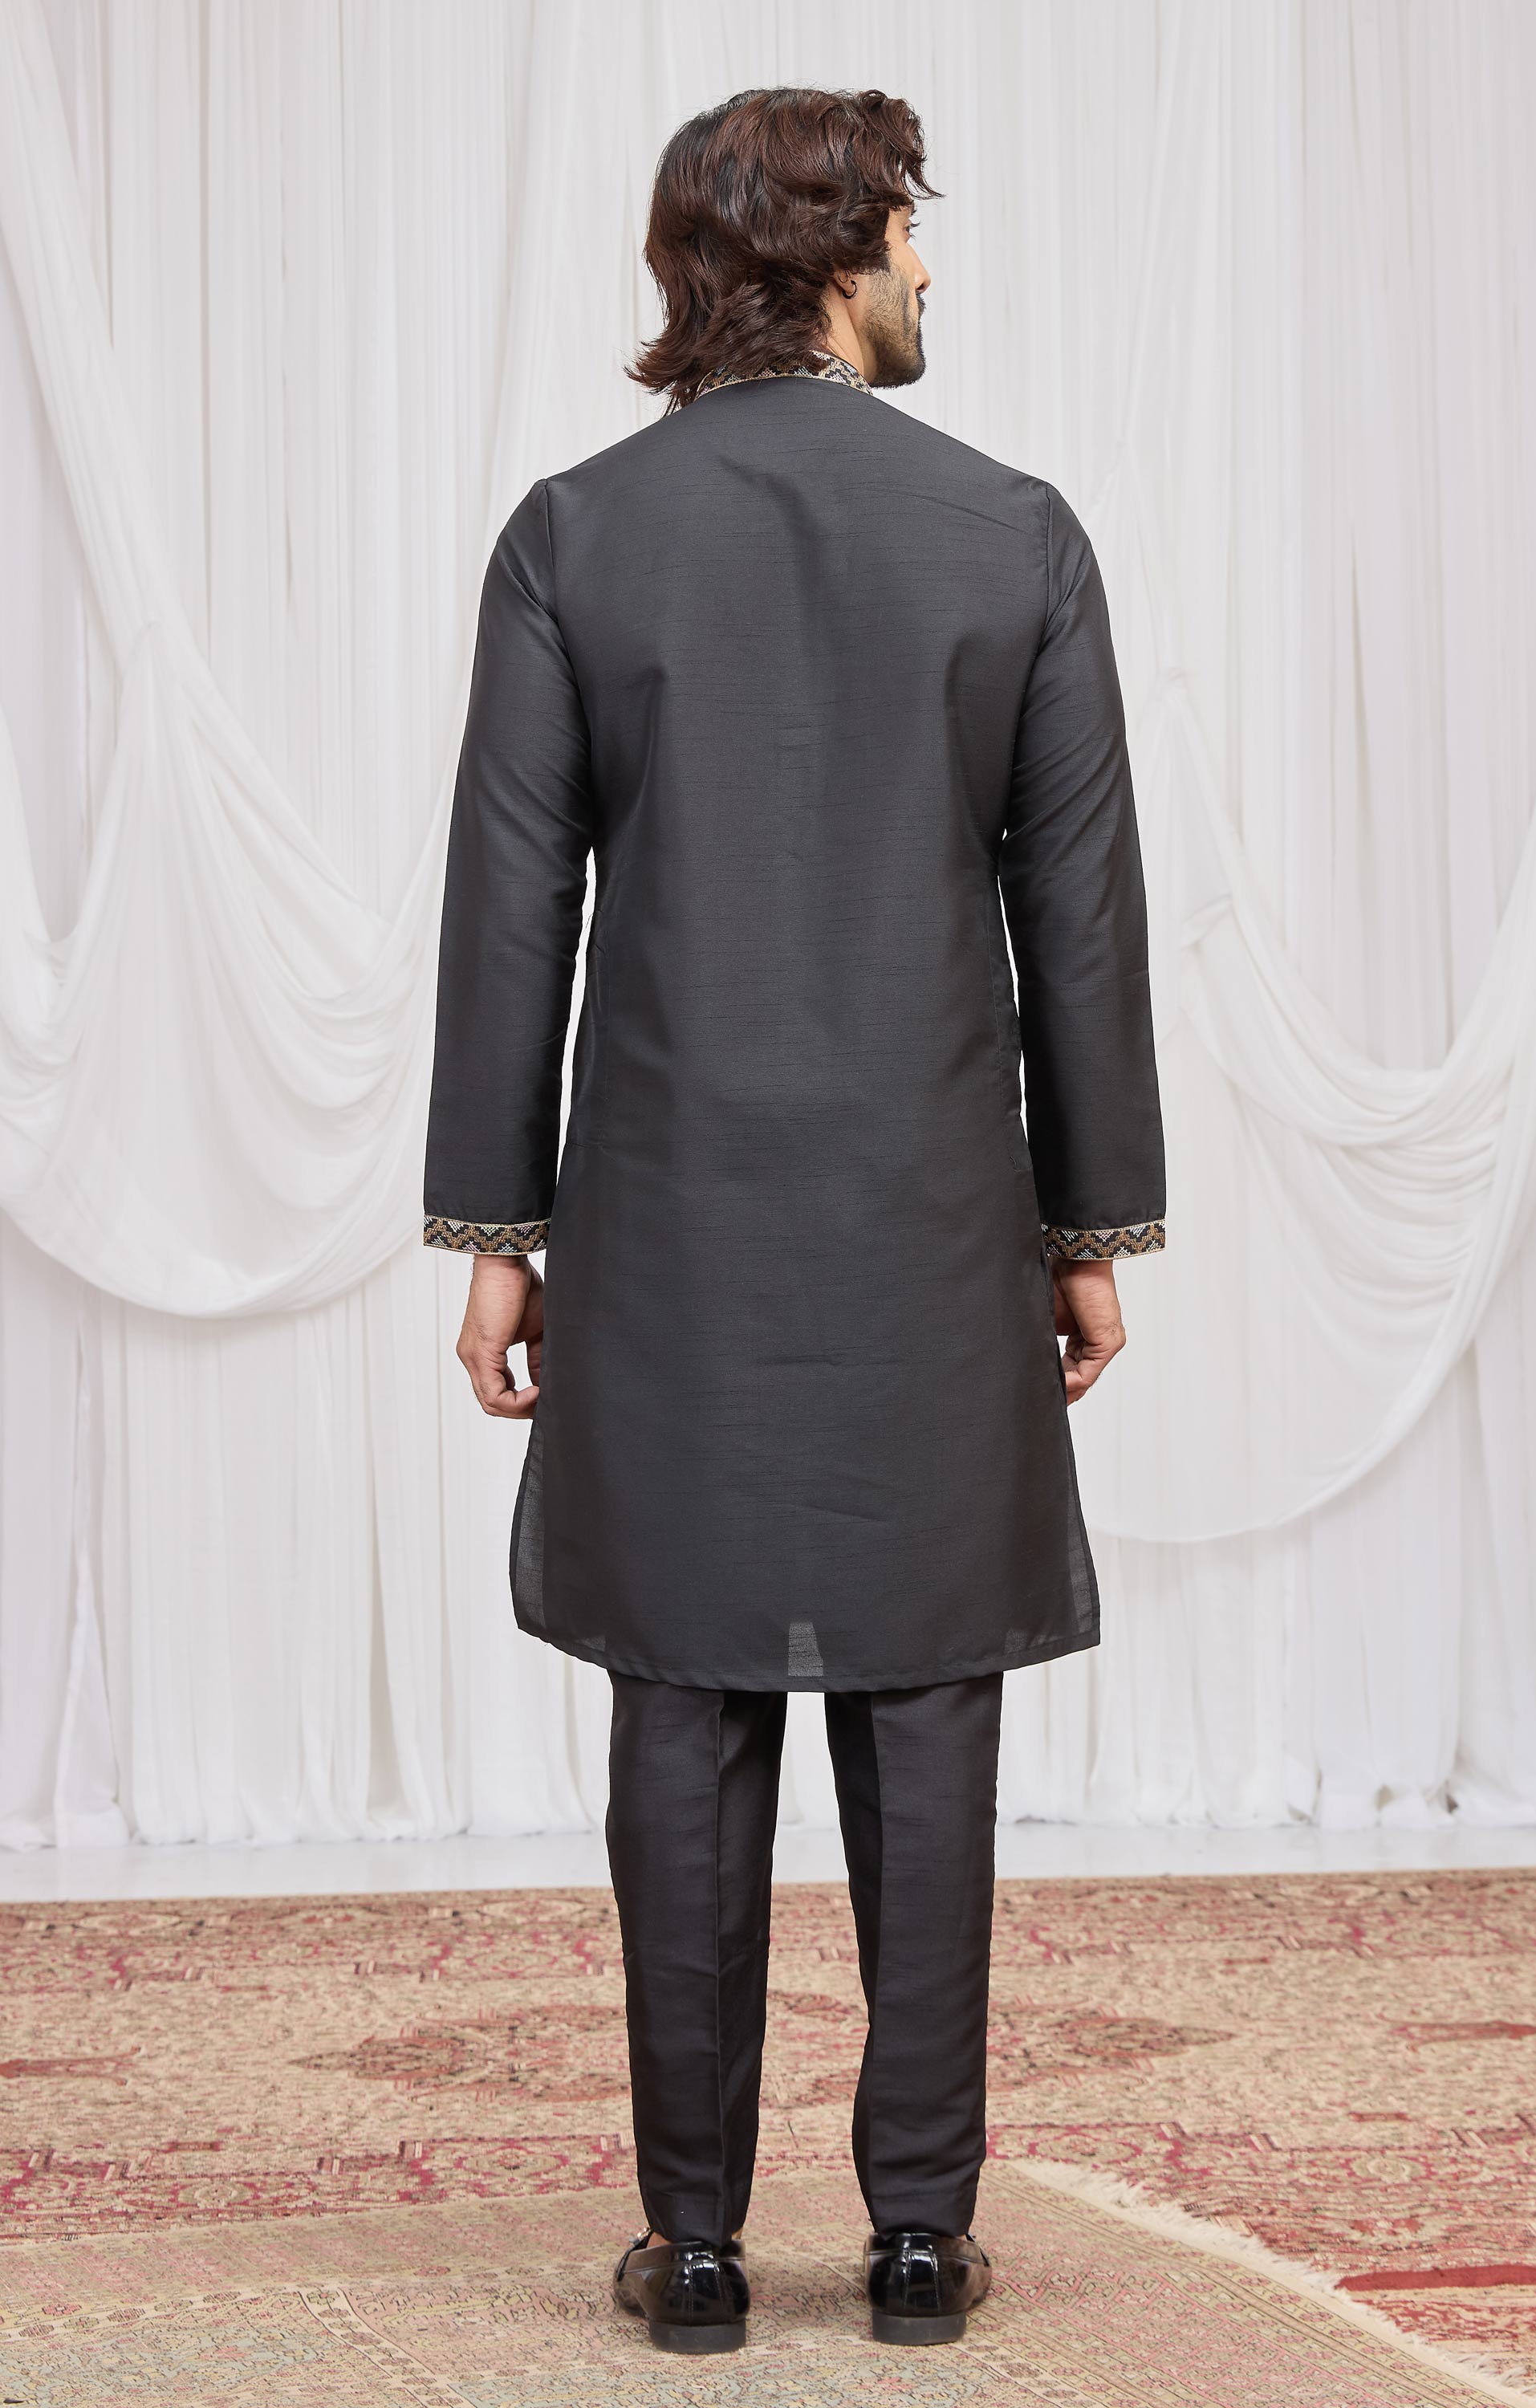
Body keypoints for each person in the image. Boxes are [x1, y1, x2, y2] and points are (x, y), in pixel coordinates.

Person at [422, 84, 1164, 2354]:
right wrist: (1087, 1226)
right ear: (833, 252)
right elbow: (1079, 922)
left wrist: (498, 1227)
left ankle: (701, 2243)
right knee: (929, 1704)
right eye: (910, 228)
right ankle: (920, 2237)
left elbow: (511, 909)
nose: (932, 264)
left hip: (668, 1221)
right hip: (933, 1214)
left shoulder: (576, 535)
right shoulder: (1012, 534)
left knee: (688, 1696)